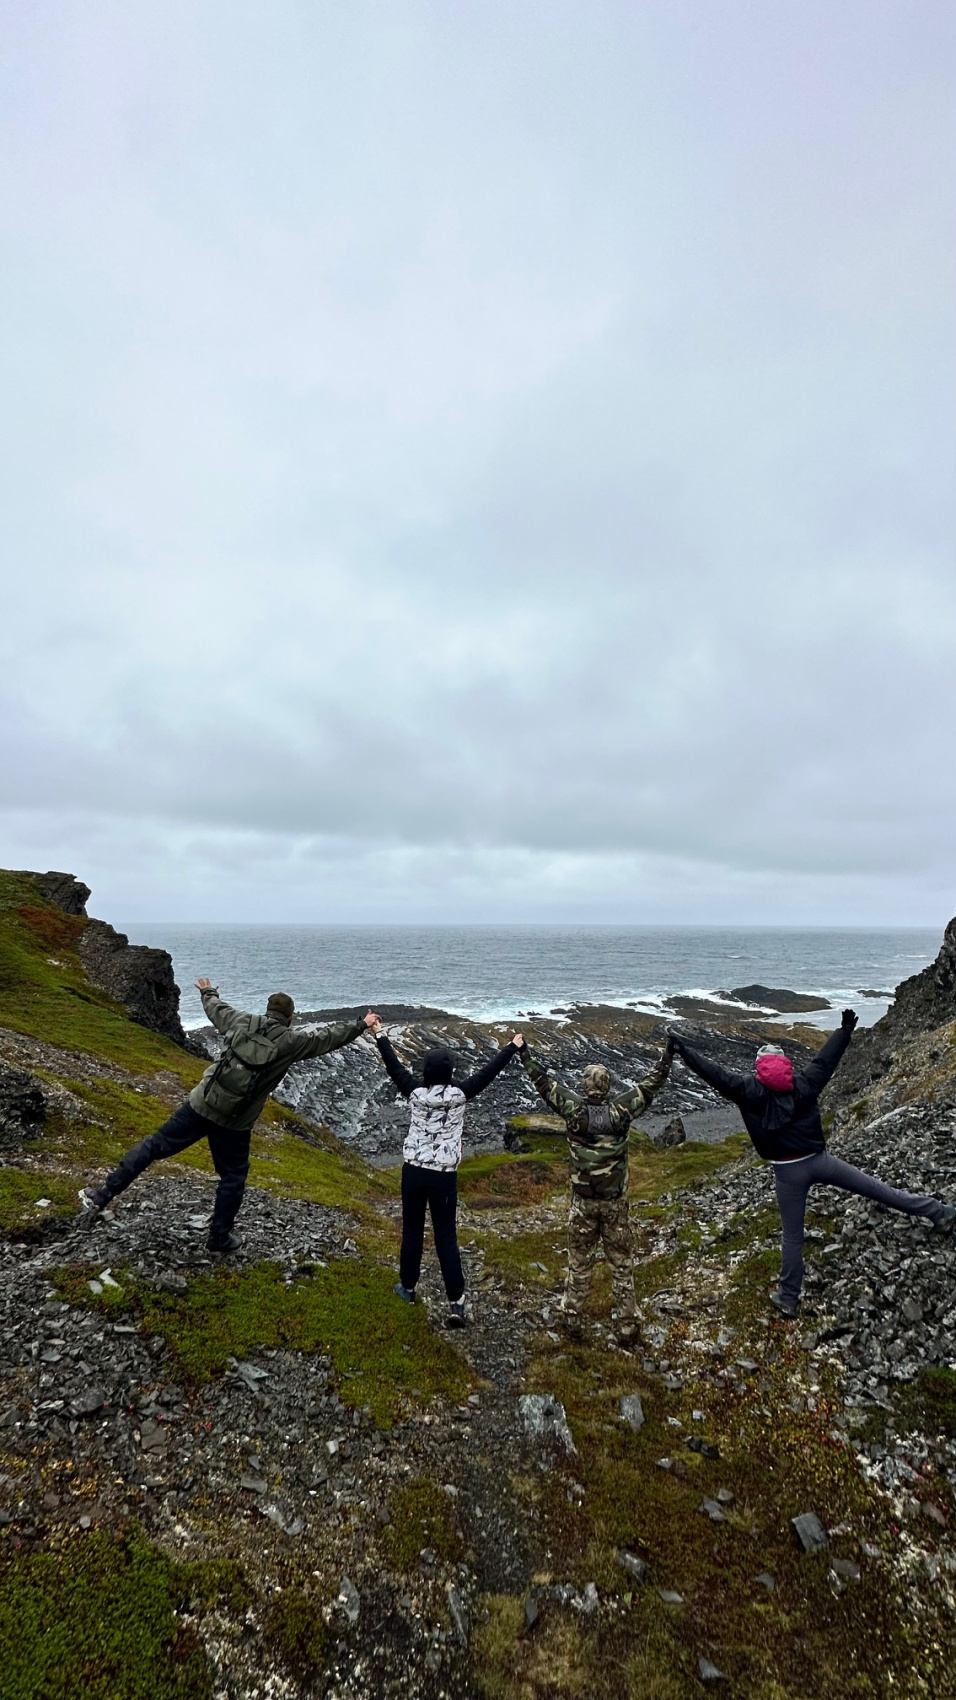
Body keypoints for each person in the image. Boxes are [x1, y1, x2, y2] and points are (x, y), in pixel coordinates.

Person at [669, 1010, 955, 1318]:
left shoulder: (747, 1090)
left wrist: (684, 1051)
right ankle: (938, 1212)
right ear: (784, 1064)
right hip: (821, 1161)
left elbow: (714, 1074)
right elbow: (825, 1060)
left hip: (787, 1174)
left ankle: (789, 1299)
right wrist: (844, 1030)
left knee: (793, 1237)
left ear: (759, 1067)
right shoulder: (804, 1083)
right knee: (878, 1189)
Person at [79, 980, 379, 1253]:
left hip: (202, 1103)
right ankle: (219, 1237)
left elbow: (215, 1008)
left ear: (267, 1011)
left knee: (155, 1145)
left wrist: (207, 991)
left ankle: (103, 1194)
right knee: (233, 1177)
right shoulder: (292, 1042)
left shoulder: (240, 1021)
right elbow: (328, 1038)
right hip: (235, 1122)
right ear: (290, 1017)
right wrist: (361, 1024)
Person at [513, 1033, 674, 1345]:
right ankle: (627, 1325)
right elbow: (650, 1085)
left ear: (585, 1086)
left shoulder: (573, 1110)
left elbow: (544, 1083)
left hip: (583, 1204)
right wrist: (667, 1057)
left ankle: (572, 1318)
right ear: (608, 1086)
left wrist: (524, 1054)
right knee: (622, 1265)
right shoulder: (621, 1110)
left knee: (579, 1263)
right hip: (615, 1204)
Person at [370, 1019, 522, 1326]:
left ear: (425, 1072)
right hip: (443, 1176)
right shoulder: (460, 1095)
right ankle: (456, 1303)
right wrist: (511, 1047)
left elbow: (393, 1066)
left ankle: (407, 1288)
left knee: (412, 1231)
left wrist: (379, 1033)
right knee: (445, 1237)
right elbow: (487, 1073)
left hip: (413, 1171)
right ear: (451, 1073)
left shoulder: (415, 1093)